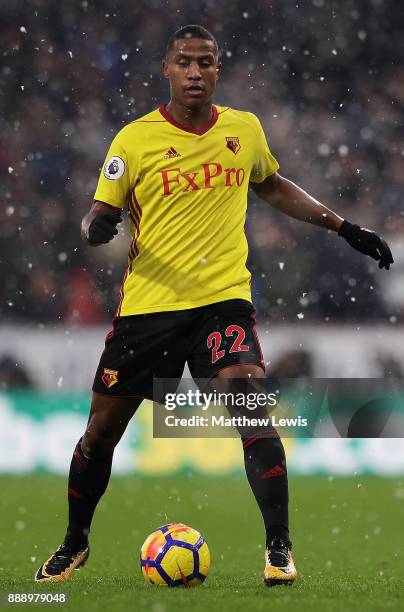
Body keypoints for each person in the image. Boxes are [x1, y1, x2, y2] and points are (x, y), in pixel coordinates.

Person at [35, 24, 393, 586]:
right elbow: (94, 215)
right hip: (149, 310)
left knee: (251, 404)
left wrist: (342, 226)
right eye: (184, 62)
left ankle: (279, 550)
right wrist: (98, 224)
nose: (195, 71)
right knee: (100, 434)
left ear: (218, 69)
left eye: (205, 62)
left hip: (221, 302)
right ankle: (74, 541)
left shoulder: (243, 130)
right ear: (167, 69)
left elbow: (271, 185)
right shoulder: (134, 140)